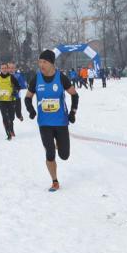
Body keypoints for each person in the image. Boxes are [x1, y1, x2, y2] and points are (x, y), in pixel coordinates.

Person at [24, 50, 79, 192]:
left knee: (64, 155)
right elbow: (27, 97)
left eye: (44, 62)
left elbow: (74, 95)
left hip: (61, 122)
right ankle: (54, 181)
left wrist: (72, 113)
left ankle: (58, 144)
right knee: (49, 152)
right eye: (39, 62)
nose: (41, 65)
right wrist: (31, 110)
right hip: (44, 123)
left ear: (51, 63)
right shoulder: (36, 79)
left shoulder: (61, 78)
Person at [0, 63, 23, 140]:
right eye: (2, 68)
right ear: (0, 69)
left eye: (5, 68)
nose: (4, 69)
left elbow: (18, 86)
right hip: (2, 100)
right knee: (5, 117)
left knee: (11, 117)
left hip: (11, 100)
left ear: (7, 69)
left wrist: (15, 91)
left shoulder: (11, 77)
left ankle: (11, 128)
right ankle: (8, 134)